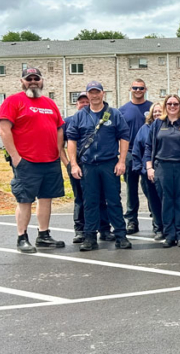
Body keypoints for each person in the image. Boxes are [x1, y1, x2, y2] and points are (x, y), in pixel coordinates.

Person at [0, 67, 67, 253]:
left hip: (50, 160)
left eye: (36, 78)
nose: (33, 82)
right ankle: (22, 237)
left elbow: (59, 128)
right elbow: (4, 129)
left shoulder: (50, 103)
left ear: (42, 81)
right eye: (29, 79)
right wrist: (16, 157)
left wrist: (58, 152)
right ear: (22, 82)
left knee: (46, 199)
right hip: (27, 161)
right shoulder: (13, 101)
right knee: (25, 200)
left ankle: (43, 235)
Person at [67, 81, 132, 251]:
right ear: (87, 95)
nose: (94, 96)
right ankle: (90, 237)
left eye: (97, 92)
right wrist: (74, 164)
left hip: (109, 164)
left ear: (103, 93)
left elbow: (124, 137)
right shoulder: (79, 116)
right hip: (88, 165)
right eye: (91, 92)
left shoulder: (114, 114)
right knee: (90, 202)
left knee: (113, 201)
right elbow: (71, 140)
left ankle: (121, 236)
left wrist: (121, 161)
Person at [145, 95, 180, 247]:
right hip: (162, 167)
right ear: (165, 105)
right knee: (166, 201)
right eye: (169, 104)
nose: (172, 106)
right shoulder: (157, 123)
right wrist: (149, 167)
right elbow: (148, 147)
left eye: (176, 104)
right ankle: (169, 235)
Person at [63, 92, 112, 244]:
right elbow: (59, 145)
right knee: (80, 199)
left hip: (95, 165)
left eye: (86, 101)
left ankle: (104, 229)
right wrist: (69, 164)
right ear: (76, 104)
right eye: (81, 102)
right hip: (77, 165)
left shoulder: (99, 118)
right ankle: (80, 230)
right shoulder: (69, 121)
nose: (84, 104)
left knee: (101, 197)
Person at [119, 79, 153, 234]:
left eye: (141, 88)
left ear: (145, 89)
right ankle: (132, 221)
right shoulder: (123, 110)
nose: (138, 90)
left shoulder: (152, 108)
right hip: (130, 153)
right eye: (135, 88)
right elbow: (118, 134)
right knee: (131, 189)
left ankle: (156, 218)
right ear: (130, 89)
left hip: (149, 153)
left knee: (150, 187)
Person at [132, 101, 164, 241]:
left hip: (166, 171)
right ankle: (158, 228)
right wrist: (140, 169)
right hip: (148, 173)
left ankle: (171, 227)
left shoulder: (169, 127)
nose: (157, 114)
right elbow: (136, 150)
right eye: (155, 111)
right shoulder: (144, 129)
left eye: (159, 111)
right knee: (154, 202)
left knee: (168, 201)